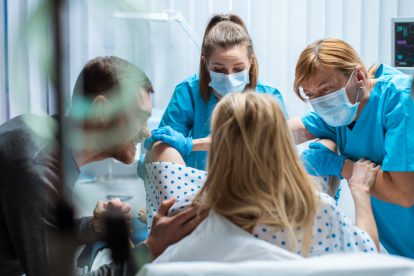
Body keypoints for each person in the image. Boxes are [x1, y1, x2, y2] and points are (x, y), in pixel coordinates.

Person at [0, 56, 207, 275]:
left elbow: (40, 228)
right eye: (139, 117)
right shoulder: (38, 165)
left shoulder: (44, 143)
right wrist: (151, 248)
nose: (146, 131)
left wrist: (92, 226)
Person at [144, 92, 380, 259]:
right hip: (299, 216)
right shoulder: (319, 213)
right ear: (282, 147)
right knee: (328, 145)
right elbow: (368, 256)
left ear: (218, 152)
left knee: (161, 150)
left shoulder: (181, 216)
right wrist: (360, 190)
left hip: (208, 204)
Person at [289, 38, 414, 258]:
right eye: (310, 95)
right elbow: (274, 133)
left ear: (358, 76)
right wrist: (213, 141)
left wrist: (343, 167)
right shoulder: (340, 111)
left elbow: (403, 193)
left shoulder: (400, 100)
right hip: (402, 248)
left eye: (326, 90)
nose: (320, 102)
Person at [140, 13, 287, 173]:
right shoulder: (189, 92)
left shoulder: (270, 97)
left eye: (238, 69)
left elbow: (280, 154)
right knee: (161, 148)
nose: (229, 77)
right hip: (197, 188)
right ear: (205, 62)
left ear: (250, 60)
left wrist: (191, 145)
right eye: (219, 69)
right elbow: (160, 150)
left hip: (254, 187)